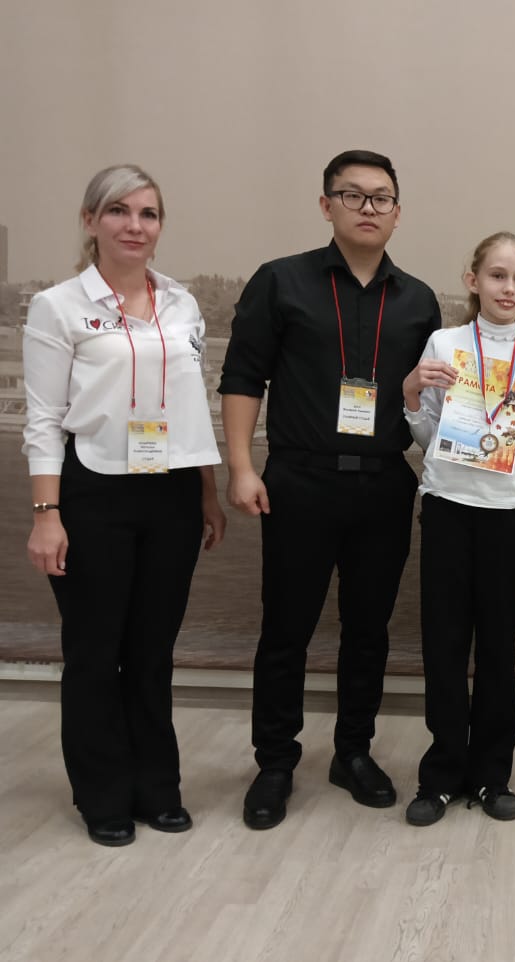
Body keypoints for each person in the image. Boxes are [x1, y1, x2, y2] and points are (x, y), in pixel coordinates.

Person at [218, 150, 442, 830]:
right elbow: (243, 377)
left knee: (368, 630)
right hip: (300, 480)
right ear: (326, 205)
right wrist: (241, 467)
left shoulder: (419, 301)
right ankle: (275, 762)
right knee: (286, 628)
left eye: (382, 198)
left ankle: (353, 752)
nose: (368, 207)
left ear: (398, 213)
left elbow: (430, 403)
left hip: (383, 485)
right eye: (353, 195)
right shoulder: (281, 282)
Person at [23, 164, 226, 846]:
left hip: (172, 492)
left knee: (152, 650)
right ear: (90, 221)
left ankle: (157, 786)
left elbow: (189, 406)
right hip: (93, 492)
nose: (134, 225)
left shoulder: (183, 304)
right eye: (119, 211)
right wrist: (47, 515)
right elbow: (43, 419)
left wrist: (207, 492)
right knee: (94, 650)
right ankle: (102, 793)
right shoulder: (58, 307)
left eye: (148, 213)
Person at [401, 231, 515, 825]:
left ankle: (493, 775)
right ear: (473, 281)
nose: (508, 288)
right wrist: (410, 395)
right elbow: (429, 438)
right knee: (444, 648)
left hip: (509, 518)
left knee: (498, 651)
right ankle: (442, 775)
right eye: (497, 275)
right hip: (448, 509)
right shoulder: (444, 344)